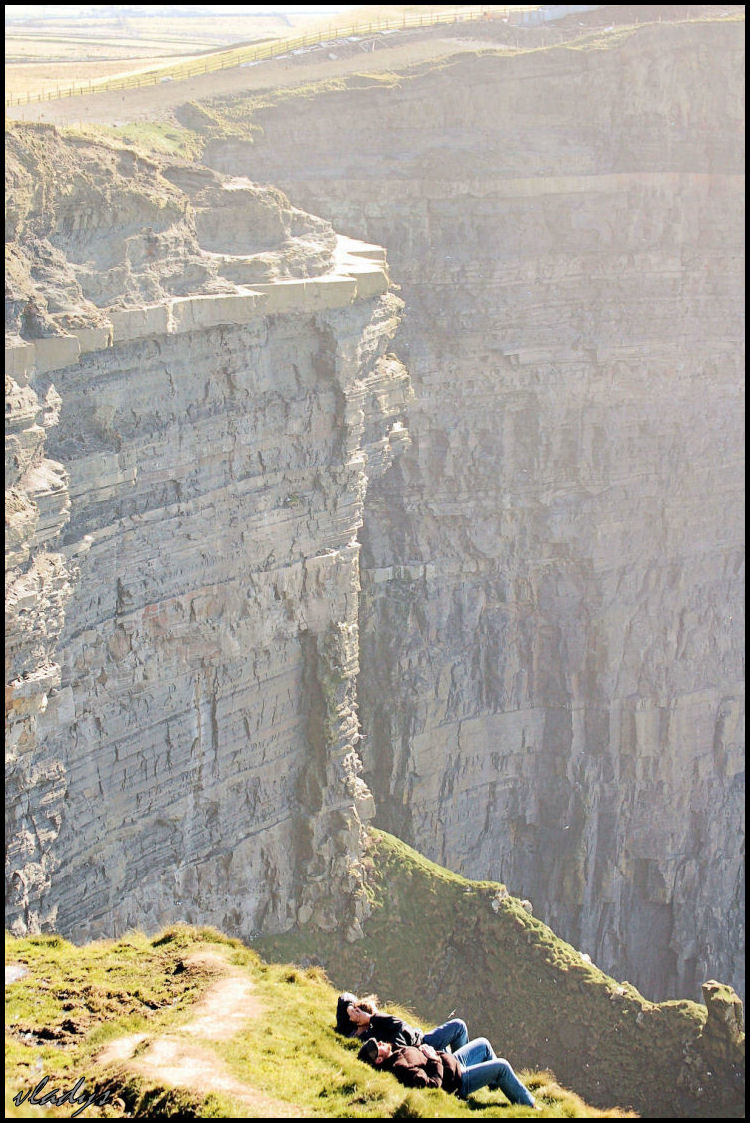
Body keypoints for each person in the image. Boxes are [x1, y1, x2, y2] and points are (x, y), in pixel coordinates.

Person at [357, 1035, 539, 1109]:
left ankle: (492, 1084)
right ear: (379, 1060)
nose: (380, 1043)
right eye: (377, 1047)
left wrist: (425, 1050)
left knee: (483, 1044)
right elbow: (433, 1085)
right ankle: (530, 1107)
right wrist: (434, 1059)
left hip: (452, 1062)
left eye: (378, 1042)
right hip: (457, 1080)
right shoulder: (400, 1068)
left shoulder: (396, 1051)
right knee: (502, 1066)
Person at [335, 991, 468, 1053]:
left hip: (419, 1038)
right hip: (422, 1044)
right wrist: (370, 1018)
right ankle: (460, 1069)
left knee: (450, 1044)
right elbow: (398, 1024)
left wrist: (349, 1007)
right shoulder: (374, 1035)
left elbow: (344, 996)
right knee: (459, 1026)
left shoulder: (346, 1028)